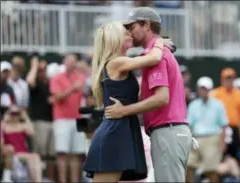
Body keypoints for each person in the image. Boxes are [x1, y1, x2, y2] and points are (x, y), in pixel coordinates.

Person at [104, 7, 193, 182]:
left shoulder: (156, 55)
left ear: (146, 25)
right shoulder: (157, 52)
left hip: (168, 131)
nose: (129, 31)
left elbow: (161, 98)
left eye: (132, 26)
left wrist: (123, 111)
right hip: (171, 131)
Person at [83, 20, 174, 182]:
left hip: (121, 129)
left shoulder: (122, 62)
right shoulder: (116, 62)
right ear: (116, 39)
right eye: (125, 33)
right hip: (114, 132)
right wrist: (159, 42)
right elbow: (154, 58)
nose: (130, 34)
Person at [49, 53, 86, 183]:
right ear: (64, 62)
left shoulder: (80, 77)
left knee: (78, 153)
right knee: (62, 152)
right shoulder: (56, 78)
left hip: (79, 117)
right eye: (70, 61)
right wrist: (72, 89)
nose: (72, 63)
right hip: (61, 119)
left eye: (74, 61)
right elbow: (57, 97)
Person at [186, 77, 228, 182]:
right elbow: (189, 126)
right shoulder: (193, 105)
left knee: (211, 170)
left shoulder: (218, 105)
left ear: (210, 90)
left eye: (205, 89)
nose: (203, 91)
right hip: (195, 139)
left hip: (212, 139)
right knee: (188, 166)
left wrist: (222, 144)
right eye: (201, 88)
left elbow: (224, 126)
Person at [26, 56, 55, 182]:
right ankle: (37, 179)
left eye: (45, 69)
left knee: (51, 155)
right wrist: (34, 65)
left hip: (52, 121)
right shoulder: (35, 83)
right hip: (39, 122)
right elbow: (29, 81)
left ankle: (48, 179)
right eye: (41, 70)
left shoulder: (49, 83)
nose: (43, 71)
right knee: (39, 153)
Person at [2, 106, 42, 182]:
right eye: (13, 114)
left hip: (23, 152)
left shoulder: (23, 126)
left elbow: (32, 133)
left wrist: (25, 116)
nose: (15, 116)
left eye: (17, 114)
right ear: (9, 114)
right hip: (12, 153)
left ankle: (37, 180)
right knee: (33, 157)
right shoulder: (5, 126)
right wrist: (6, 117)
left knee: (36, 157)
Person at [211, 68, 240, 160]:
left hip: (234, 128)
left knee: (234, 154)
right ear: (222, 80)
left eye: (231, 78)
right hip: (220, 128)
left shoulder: (239, 93)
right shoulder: (216, 93)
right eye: (227, 78)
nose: (229, 81)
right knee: (220, 154)